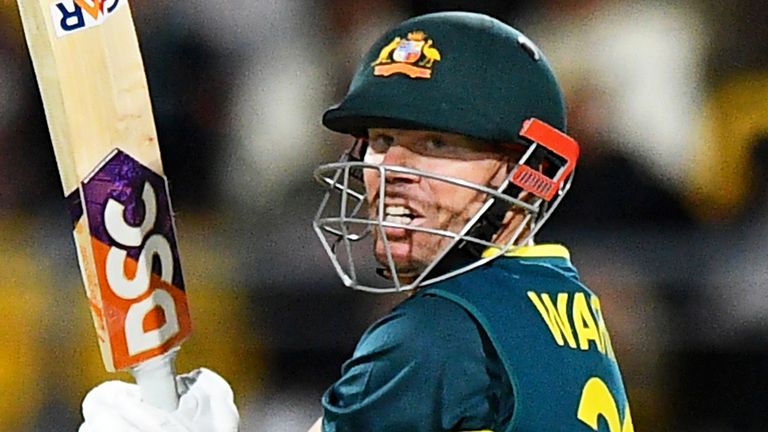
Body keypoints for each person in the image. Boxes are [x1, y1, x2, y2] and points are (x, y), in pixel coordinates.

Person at [79, 11, 634, 432]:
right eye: (383, 141)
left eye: (435, 143)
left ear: (529, 171)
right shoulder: (563, 300)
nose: (390, 170)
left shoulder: (437, 334)